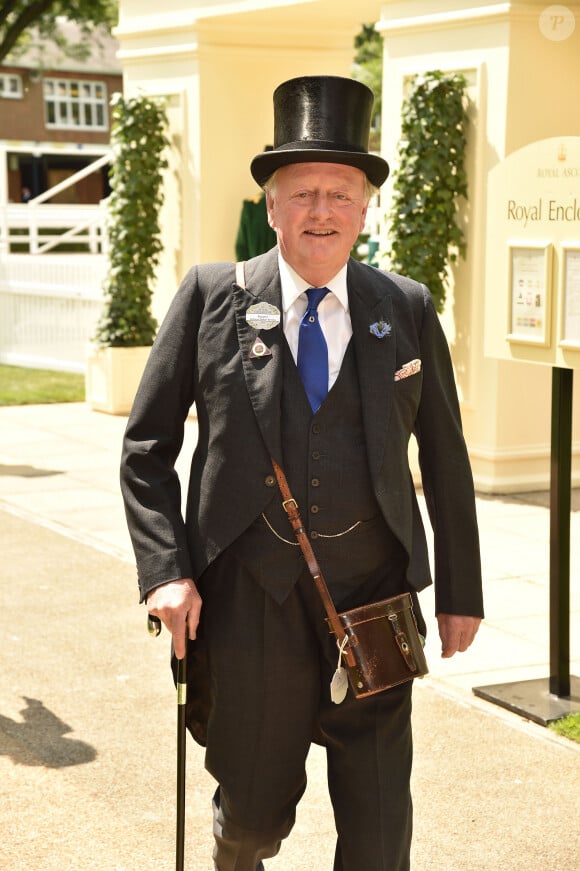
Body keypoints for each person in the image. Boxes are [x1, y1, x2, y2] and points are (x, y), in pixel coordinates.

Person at [120, 75, 483, 871]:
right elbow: (145, 447)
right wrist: (166, 572)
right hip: (252, 604)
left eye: (341, 194)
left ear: (365, 210)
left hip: (376, 598)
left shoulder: (407, 307)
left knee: (383, 826)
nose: (323, 212)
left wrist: (461, 593)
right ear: (272, 205)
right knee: (250, 817)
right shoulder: (212, 296)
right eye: (304, 193)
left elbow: (447, 457)